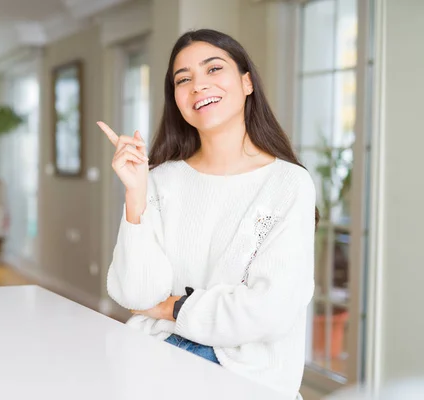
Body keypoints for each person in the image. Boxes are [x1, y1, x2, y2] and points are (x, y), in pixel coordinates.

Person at [97, 29, 317, 399]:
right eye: (183, 79)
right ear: (177, 100)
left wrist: (173, 307)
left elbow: (270, 310)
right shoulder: (160, 181)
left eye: (213, 69)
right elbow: (135, 294)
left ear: (247, 82)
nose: (198, 85)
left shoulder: (288, 183)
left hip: (248, 377)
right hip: (156, 360)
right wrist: (136, 193)